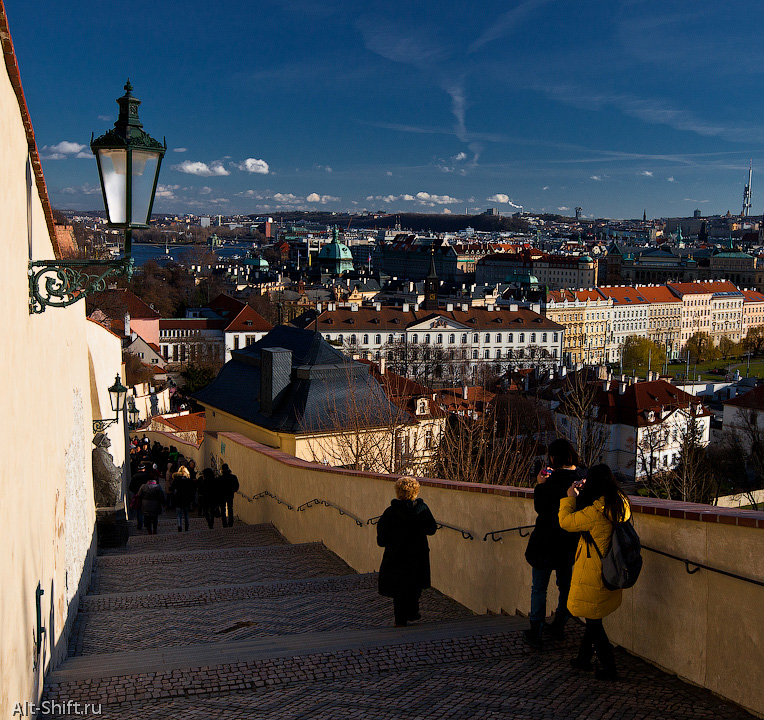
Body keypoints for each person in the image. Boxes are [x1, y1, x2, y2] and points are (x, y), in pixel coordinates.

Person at [558, 463, 630, 681]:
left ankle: (609, 667)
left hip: (594, 571)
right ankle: (583, 657)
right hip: (611, 569)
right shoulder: (619, 502)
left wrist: (570, 497)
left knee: (593, 621)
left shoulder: (596, 512)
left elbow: (566, 522)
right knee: (593, 616)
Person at [522, 438, 581, 649]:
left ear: (553, 458)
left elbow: (541, 508)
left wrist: (540, 485)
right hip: (569, 542)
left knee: (539, 588)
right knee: (565, 586)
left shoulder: (552, 481)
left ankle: (535, 630)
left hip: (545, 542)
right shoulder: (581, 479)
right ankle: (559, 624)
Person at [377, 476, 438, 627]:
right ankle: (412, 611)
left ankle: (400, 620)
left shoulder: (390, 512)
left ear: (398, 491)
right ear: (416, 491)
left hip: (396, 555)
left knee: (399, 589)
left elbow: (381, 540)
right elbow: (431, 529)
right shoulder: (422, 509)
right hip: (418, 554)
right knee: (415, 585)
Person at [171, 465, 194, 532]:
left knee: (179, 514)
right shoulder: (188, 480)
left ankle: (179, 526)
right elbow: (191, 491)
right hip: (186, 499)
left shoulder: (176, 480)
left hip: (178, 499)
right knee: (186, 514)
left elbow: (172, 489)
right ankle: (186, 527)